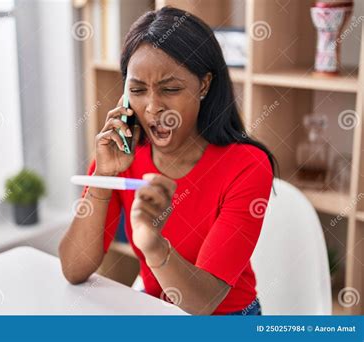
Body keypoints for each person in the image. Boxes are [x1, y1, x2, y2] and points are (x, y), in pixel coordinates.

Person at [59, 6, 276, 315]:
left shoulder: (247, 165)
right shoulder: (121, 156)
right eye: (137, 90)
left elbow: (203, 303)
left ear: (204, 84)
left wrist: (152, 243)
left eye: (170, 89)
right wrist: (102, 179)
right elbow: (73, 268)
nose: (151, 108)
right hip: (157, 312)